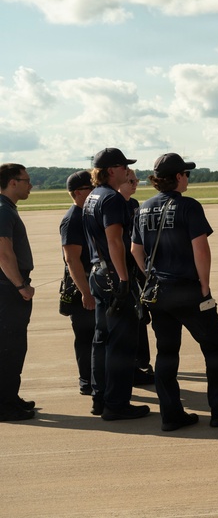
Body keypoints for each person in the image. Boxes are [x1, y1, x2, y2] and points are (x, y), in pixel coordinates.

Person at [133, 153, 218, 431]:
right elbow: (201, 249)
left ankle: (171, 415)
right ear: (177, 177)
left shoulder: (143, 208)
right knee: (215, 347)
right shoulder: (188, 206)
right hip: (187, 289)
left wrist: (149, 275)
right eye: (186, 174)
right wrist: (204, 286)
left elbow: (135, 250)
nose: (188, 178)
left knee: (166, 353)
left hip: (158, 293)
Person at [82, 148, 149, 421]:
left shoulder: (92, 197)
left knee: (101, 339)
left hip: (97, 275)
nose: (126, 171)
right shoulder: (111, 199)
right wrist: (123, 280)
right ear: (111, 170)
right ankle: (117, 404)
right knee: (121, 344)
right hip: (113, 277)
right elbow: (114, 241)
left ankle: (100, 399)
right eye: (123, 167)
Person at [0, 163, 36, 421]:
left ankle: (10, 397)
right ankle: (5, 405)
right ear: (13, 182)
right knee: (10, 348)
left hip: (8, 288)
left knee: (13, 347)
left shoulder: (6, 210)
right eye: (26, 180)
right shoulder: (3, 211)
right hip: (8, 290)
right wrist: (20, 286)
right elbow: (3, 253)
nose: (30, 185)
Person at [59, 170, 97, 396]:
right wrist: (86, 293)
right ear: (77, 193)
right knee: (85, 337)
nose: (94, 193)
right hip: (82, 289)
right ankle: (87, 381)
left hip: (92, 285)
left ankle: (95, 379)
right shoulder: (72, 220)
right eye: (89, 189)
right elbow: (71, 259)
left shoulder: (86, 216)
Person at [119, 168, 155, 386]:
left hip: (137, 270)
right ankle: (135, 365)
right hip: (125, 271)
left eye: (136, 180)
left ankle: (143, 361)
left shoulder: (134, 205)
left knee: (142, 318)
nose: (135, 184)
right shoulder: (113, 205)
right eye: (131, 180)